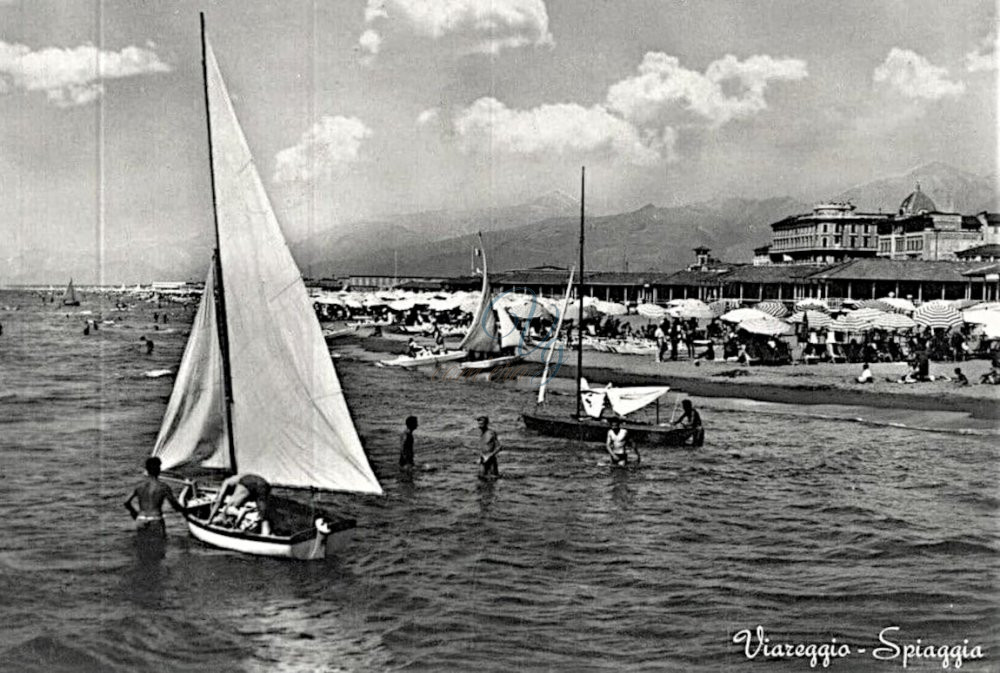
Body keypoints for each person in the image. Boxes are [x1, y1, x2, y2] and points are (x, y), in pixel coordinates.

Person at [123, 457, 187, 537]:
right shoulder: (163, 487)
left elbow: (126, 502)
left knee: (143, 545)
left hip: (141, 519)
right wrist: (186, 511)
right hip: (155, 519)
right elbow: (175, 506)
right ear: (158, 470)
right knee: (158, 546)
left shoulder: (139, 485)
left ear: (147, 470)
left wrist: (134, 513)